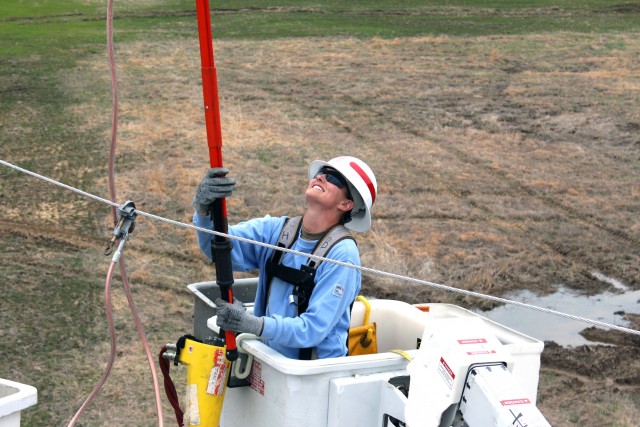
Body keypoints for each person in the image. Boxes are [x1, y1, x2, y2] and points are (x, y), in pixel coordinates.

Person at [192, 156, 377, 359]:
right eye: (320, 173)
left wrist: (251, 323)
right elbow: (219, 248)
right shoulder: (277, 231)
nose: (321, 176)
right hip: (270, 359)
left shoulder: (343, 256)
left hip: (316, 376)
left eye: (334, 178)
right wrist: (203, 211)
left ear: (346, 203)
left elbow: (312, 329)